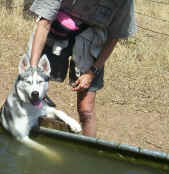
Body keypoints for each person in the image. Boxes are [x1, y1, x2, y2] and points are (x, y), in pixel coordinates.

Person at [25, 0, 137, 137]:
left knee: (86, 110)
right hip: (56, 30)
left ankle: (88, 153)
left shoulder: (124, 2)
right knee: (30, 93)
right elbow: (44, 23)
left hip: (91, 40)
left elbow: (114, 36)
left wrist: (92, 72)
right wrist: (32, 69)